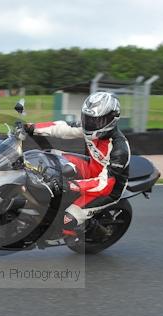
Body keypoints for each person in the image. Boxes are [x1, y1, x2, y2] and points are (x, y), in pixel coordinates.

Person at [24, 91, 131, 237]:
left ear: (111, 120)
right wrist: (32, 127)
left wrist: (71, 185)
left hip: (107, 188)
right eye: (87, 119)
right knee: (48, 158)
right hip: (91, 168)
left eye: (95, 121)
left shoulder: (119, 150)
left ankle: (73, 234)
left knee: (66, 219)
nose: (89, 124)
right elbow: (64, 128)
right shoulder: (91, 127)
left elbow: (105, 184)